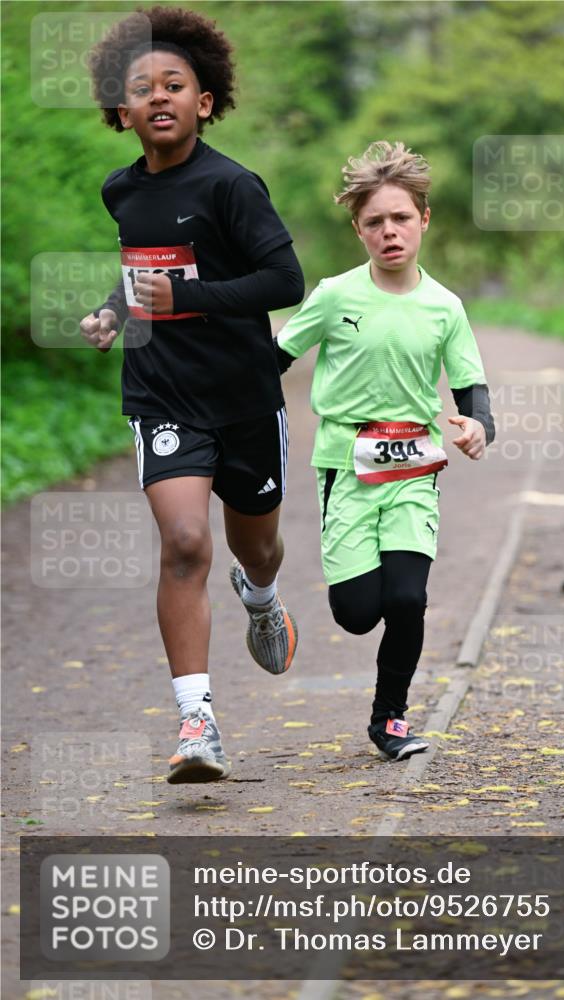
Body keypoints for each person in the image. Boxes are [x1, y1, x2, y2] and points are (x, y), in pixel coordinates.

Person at [79, 5, 303, 784]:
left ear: (204, 102)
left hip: (244, 395)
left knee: (255, 545)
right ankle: (196, 720)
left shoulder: (234, 185)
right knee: (182, 544)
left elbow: (284, 281)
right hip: (162, 393)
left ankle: (263, 595)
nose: (160, 96)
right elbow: (141, 266)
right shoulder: (122, 191)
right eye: (143, 88)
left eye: (176, 84)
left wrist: (195, 298)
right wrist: (114, 308)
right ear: (122, 112)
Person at [275, 141, 495, 761]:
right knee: (355, 613)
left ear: (424, 220)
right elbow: (275, 358)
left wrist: (478, 429)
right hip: (345, 466)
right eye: (375, 221)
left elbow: (472, 389)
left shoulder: (444, 307)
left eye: (401, 218)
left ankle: (390, 718)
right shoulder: (335, 295)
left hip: (413, 468)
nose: (389, 231)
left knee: (406, 598)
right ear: (359, 230)